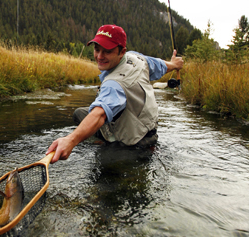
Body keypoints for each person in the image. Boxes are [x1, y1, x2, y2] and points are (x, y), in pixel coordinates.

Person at [46, 24, 184, 163]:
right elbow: (161, 65)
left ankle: (117, 148)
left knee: (105, 166)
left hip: (136, 141)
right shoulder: (138, 58)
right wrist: (174, 64)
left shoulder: (114, 84)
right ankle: (106, 141)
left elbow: (99, 114)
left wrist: (71, 140)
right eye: (97, 49)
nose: (100, 56)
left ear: (121, 52)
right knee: (80, 114)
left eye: (107, 51)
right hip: (146, 125)